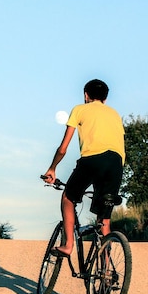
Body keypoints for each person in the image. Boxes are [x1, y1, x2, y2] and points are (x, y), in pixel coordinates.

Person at [42, 79, 125, 256]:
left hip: (93, 158)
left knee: (68, 198)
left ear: (86, 95)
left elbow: (63, 148)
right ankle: (107, 271)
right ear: (105, 99)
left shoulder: (80, 109)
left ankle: (68, 245)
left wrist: (52, 168)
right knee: (104, 220)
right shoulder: (115, 114)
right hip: (116, 164)